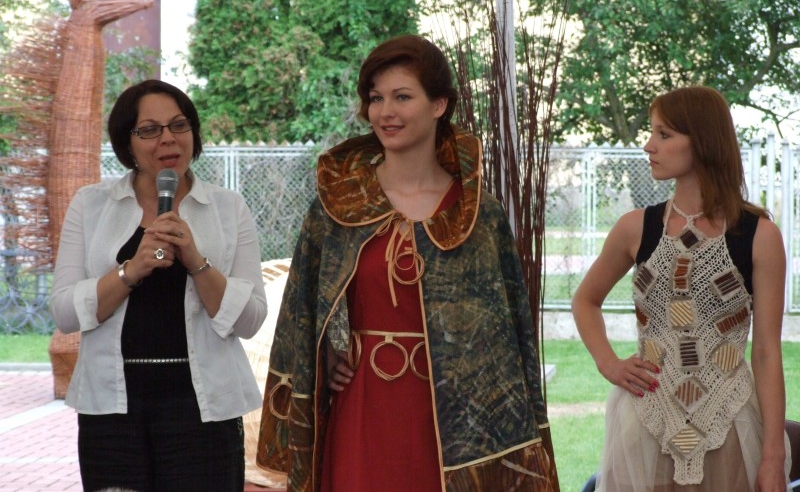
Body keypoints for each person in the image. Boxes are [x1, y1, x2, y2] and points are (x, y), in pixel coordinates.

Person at [256, 34, 559, 491]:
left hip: (460, 423)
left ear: (439, 105)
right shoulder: (338, 206)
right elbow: (300, 315)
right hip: (363, 406)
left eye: (402, 97)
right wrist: (325, 355)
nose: (385, 112)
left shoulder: (478, 214)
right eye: (376, 98)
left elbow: (508, 335)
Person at [50, 79, 268, 491]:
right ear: (127, 143)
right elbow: (64, 312)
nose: (168, 138)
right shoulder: (91, 205)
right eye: (150, 130)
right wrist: (130, 271)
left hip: (203, 408)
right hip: (112, 409)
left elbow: (250, 319)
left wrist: (196, 261)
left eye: (178, 125)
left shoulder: (227, 208)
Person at [571, 86, 791, 491]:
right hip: (644, 425)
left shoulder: (759, 237)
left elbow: (765, 352)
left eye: (664, 134)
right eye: (652, 132)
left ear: (703, 141)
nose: (649, 145)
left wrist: (773, 456)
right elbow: (585, 299)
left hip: (731, 424)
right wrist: (609, 364)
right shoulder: (635, 228)